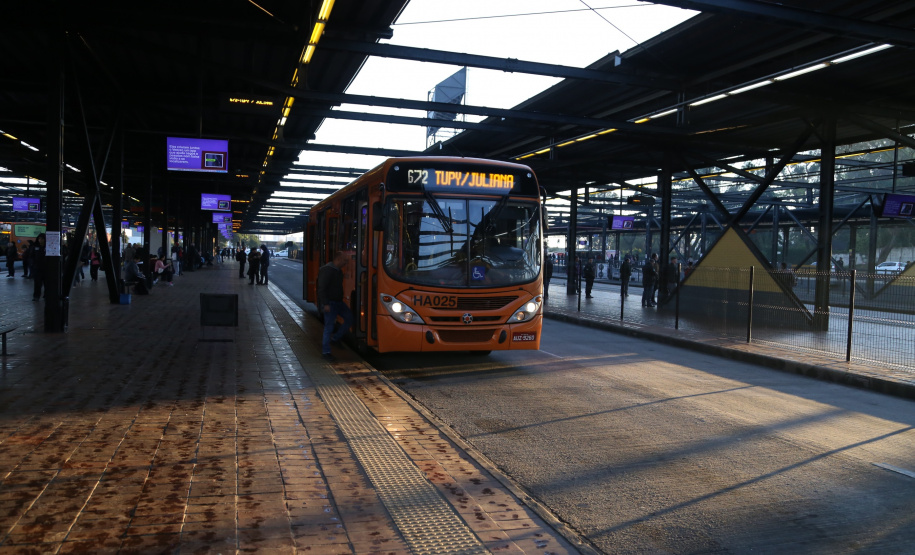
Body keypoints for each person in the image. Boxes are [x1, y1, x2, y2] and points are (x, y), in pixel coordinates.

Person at [317, 251, 353, 361]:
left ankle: (335, 339)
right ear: (338, 259)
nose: (346, 263)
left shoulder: (338, 271)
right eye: (344, 261)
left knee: (350, 318)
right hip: (330, 303)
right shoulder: (327, 270)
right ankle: (326, 352)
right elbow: (321, 288)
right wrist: (325, 303)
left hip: (338, 302)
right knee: (329, 327)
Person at [31, 233, 46, 301]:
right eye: (39, 239)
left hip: (46, 268)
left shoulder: (47, 247)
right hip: (37, 268)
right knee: (37, 283)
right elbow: (31, 256)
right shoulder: (35, 247)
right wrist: (33, 264)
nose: (40, 240)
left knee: (46, 283)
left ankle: (46, 295)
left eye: (42, 239)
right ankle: (36, 296)